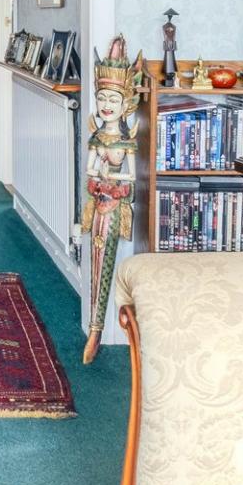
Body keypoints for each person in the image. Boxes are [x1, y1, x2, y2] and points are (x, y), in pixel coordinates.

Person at [81, 36, 149, 365]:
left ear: (125, 106)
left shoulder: (127, 142)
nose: (106, 104)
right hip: (99, 202)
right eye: (101, 98)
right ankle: (94, 327)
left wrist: (114, 180)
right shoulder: (97, 137)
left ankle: (97, 328)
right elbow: (90, 169)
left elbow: (132, 177)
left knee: (106, 260)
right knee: (94, 258)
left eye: (113, 99)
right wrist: (100, 178)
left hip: (115, 204)